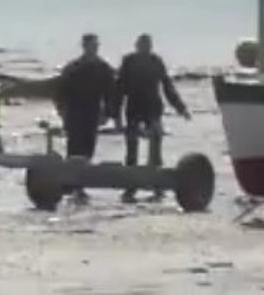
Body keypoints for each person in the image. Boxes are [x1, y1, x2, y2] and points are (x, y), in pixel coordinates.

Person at [115, 34, 191, 203]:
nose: (144, 48)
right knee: (131, 149)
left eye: (147, 45)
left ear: (150, 46)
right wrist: (116, 115)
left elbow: (167, 87)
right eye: (142, 45)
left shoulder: (156, 61)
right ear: (137, 46)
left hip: (152, 108)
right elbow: (119, 89)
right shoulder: (129, 61)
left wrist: (181, 108)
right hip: (134, 107)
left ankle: (157, 184)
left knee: (155, 148)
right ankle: (131, 185)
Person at [55, 33, 116, 203]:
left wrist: (109, 113)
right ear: (84, 46)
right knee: (74, 147)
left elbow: (111, 93)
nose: (94, 48)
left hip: (92, 113)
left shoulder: (103, 68)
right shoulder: (73, 67)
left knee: (88, 148)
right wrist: (62, 111)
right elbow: (61, 92)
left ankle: (79, 184)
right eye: (91, 45)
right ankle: (72, 184)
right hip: (74, 113)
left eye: (96, 45)